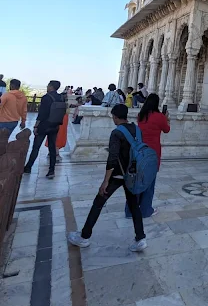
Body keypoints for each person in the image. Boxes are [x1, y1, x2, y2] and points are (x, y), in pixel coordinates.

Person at [67, 103, 147, 251]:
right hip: (133, 174)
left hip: (118, 175)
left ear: (115, 117)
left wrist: (105, 181)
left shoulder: (117, 133)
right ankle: (141, 238)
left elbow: (112, 158)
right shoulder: (137, 129)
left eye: (113, 117)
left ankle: (84, 237)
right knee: (134, 206)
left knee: (98, 202)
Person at [125, 93, 170, 219]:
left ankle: (130, 211)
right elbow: (166, 130)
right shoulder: (159, 117)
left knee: (136, 181)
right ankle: (145, 210)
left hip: (139, 151)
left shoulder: (141, 115)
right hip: (152, 152)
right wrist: (166, 118)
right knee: (149, 183)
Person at [24, 81, 66, 179]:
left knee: (36, 147)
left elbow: (42, 114)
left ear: (51, 87)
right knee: (52, 148)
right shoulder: (61, 97)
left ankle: (28, 167)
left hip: (44, 125)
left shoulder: (46, 97)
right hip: (55, 125)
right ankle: (51, 170)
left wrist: (36, 126)